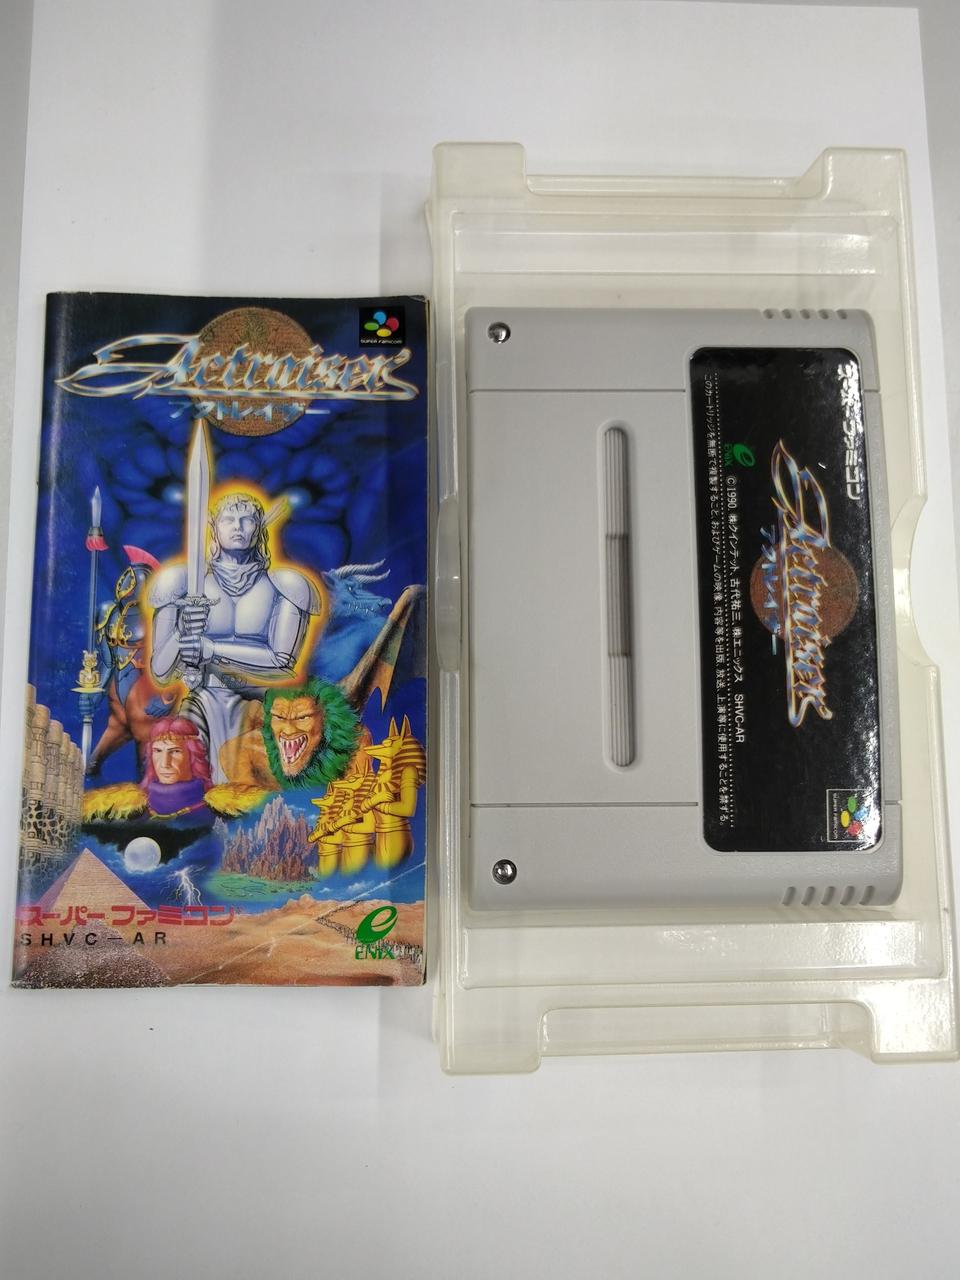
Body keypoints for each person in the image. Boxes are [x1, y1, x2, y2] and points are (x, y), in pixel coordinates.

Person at [149, 492, 321, 783]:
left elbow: (282, 661)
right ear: (214, 527)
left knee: (250, 795)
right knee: (193, 785)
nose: (238, 527)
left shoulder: (287, 585)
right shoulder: (180, 582)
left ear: (260, 527)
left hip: (258, 705)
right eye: (228, 519)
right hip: (201, 700)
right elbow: (161, 671)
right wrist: (182, 630)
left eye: (247, 519)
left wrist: (211, 648)